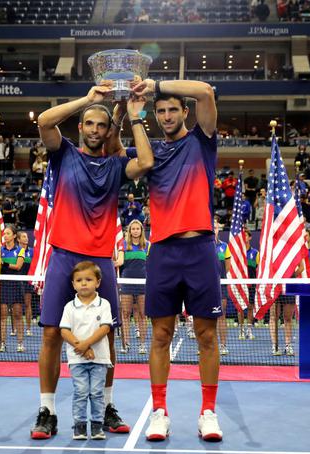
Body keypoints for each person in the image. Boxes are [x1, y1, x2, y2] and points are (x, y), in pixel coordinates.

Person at [30, 83, 152, 439]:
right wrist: (89, 101)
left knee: (107, 337)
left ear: (107, 130)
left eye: (101, 125)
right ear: (81, 128)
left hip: (100, 261)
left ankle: (106, 406)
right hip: (63, 255)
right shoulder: (64, 153)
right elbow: (44, 122)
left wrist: (133, 116)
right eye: (89, 124)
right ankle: (47, 410)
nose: (96, 130)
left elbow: (145, 162)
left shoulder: (116, 166)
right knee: (52, 333)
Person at [127, 78, 223, 441]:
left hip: (199, 250)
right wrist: (132, 113)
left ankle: (208, 413)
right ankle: (160, 412)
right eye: (161, 111)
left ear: (185, 112)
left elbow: (206, 92)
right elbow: (119, 154)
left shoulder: (202, 140)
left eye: (173, 110)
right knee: (160, 335)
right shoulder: (149, 150)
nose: (167, 116)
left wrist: (155, 84)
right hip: (163, 252)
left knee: (206, 335)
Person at [59, 261, 112, 440]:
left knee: (97, 393)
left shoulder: (104, 304)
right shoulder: (69, 307)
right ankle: (79, 427)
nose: (83, 283)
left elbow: (105, 328)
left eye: (88, 279)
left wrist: (85, 345)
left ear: (97, 282)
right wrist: (79, 346)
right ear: (73, 284)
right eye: (79, 280)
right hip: (77, 360)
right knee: (80, 392)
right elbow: (64, 330)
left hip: (100, 359)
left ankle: (97, 426)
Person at [115, 219, 150, 355]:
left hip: (142, 284)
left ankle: (142, 345)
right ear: (129, 231)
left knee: (142, 315)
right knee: (125, 314)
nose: (135, 231)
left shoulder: (147, 245)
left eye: (138, 229)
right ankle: (126, 344)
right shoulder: (123, 245)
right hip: (127, 283)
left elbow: (152, 265)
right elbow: (119, 262)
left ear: (141, 230)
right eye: (133, 229)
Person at [0, 225, 26, 353]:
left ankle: (20, 343)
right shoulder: (0, 250)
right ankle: (2, 343)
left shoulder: (20, 250)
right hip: (3, 284)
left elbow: (18, 266)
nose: (5, 235)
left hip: (16, 284)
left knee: (18, 314)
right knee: (3, 315)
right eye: (4, 233)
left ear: (14, 236)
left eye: (8, 233)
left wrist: (4, 264)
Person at [215, 224, 231, 356]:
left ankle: (223, 345)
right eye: (211, 227)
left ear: (218, 229)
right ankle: (208, 345)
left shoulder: (224, 246)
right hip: (205, 286)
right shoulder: (203, 246)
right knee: (205, 317)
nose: (213, 229)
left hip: (221, 285)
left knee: (221, 315)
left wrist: (219, 277)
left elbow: (227, 266)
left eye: (215, 227)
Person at [18, 230, 35, 336]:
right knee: (16, 306)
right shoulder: (15, 251)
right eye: (23, 237)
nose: (26, 238)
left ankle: (28, 329)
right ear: (18, 239)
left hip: (28, 281)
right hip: (17, 281)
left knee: (28, 304)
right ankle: (15, 329)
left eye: (27, 237)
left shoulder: (32, 252)